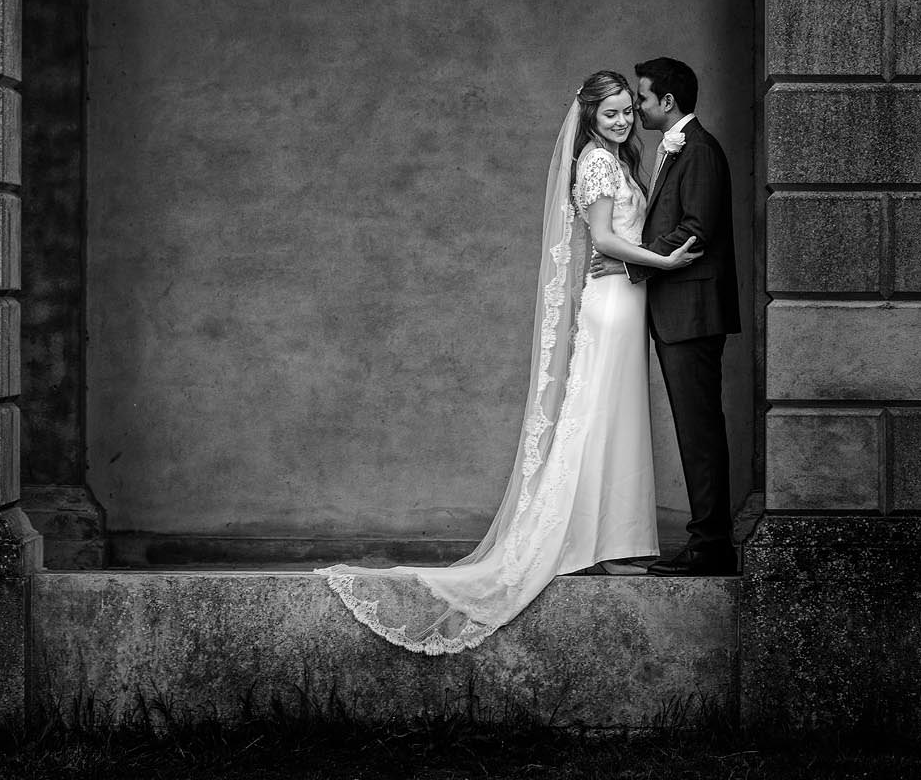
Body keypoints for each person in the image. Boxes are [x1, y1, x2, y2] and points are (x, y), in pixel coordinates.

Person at [317, 70, 702, 654]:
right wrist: (662, 262)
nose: (623, 121)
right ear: (591, 120)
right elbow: (602, 238)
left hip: (628, 297)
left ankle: (607, 543)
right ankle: (581, 544)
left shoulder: (621, 161)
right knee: (596, 416)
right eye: (611, 115)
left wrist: (644, 265)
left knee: (615, 418)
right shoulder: (597, 163)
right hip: (614, 301)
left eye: (628, 111)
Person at [593, 57, 740, 577]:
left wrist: (629, 265)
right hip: (679, 312)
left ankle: (710, 545)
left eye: (644, 98)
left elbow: (697, 229)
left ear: (668, 103)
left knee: (699, 429)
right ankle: (709, 539)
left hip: (693, 313)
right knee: (694, 427)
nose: (637, 106)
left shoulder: (697, 150)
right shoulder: (676, 148)